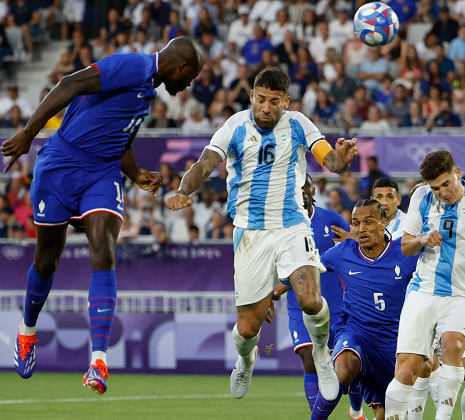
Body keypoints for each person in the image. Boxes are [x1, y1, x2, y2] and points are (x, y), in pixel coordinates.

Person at [1, 38, 203, 393]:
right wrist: (28, 133)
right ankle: (27, 331)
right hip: (60, 164)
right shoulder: (132, 66)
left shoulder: (148, 90)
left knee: (104, 252)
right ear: (181, 67)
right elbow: (69, 84)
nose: (188, 86)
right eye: (190, 78)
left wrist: (136, 172)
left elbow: (119, 138)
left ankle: (98, 361)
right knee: (47, 261)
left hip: (102, 172)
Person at [165, 67, 358, 402]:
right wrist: (185, 190)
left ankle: (323, 353)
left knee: (311, 299)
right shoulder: (235, 126)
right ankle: (245, 358)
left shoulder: (298, 123)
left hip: (292, 225)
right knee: (248, 330)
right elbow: (204, 163)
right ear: (252, 95)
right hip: (250, 234)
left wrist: (340, 162)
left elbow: (328, 158)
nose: (266, 107)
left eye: (274, 101)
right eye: (261, 99)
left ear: (285, 102)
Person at [384, 150, 465, 420]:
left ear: (458, 173)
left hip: (460, 294)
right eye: (435, 187)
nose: (441, 192)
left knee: (453, 346)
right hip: (422, 292)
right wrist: (421, 240)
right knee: (406, 370)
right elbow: (405, 246)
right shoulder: (421, 196)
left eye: (446, 184)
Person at [275, 198, 420, 420]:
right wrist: (272, 294)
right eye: (356, 223)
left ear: (384, 223)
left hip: (393, 343)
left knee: (387, 414)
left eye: (369, 222)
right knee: (343, 369)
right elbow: (308, 270)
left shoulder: (406, 253)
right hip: (355, 332)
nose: (361, 229)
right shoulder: (343, 252)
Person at [284, 175, 363, 417]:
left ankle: (357, 410)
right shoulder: (281, 225)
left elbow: (359, 250)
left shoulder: (331, 219)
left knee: (351, 366)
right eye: (296, 188)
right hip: (299, 306)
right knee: (309, 358)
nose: (302, 191)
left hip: (337, 305)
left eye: (305, 185)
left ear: (312, 189)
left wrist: (353, 239)